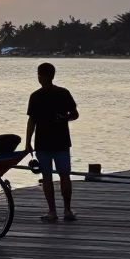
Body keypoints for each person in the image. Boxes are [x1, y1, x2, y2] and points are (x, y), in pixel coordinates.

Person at [26, 62, 79, 223]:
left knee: (47, 177)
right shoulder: (63, 93)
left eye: (39, 74)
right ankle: (67, 211)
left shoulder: (35, 96)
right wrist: (65, 118)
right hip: (61, 140)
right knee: (64, 175)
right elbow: (75, 114)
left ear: (44, 76)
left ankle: (52, 212)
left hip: (44, 142)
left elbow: (31, 121)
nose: (38, 77)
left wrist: (28, 142)